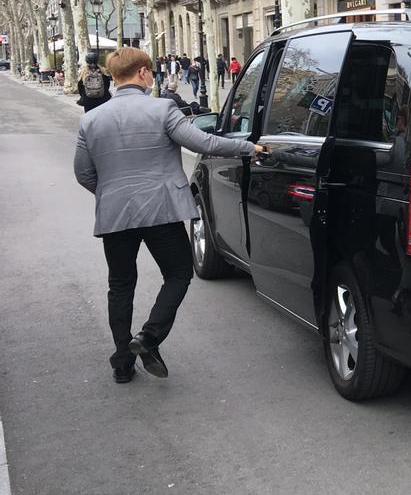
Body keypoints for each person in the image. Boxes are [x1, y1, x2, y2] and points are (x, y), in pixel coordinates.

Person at [72, 47, 267, 384]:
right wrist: (249, 147)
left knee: (120, 285)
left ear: (115, 77)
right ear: (144, 73)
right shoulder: (162, 108)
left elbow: (84, 174)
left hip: (116, 213)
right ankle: (148, 338)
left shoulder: (90, 119)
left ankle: (122, 363)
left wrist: (112, 195)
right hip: (162, 209)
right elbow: (203, 143)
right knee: (178, 274)